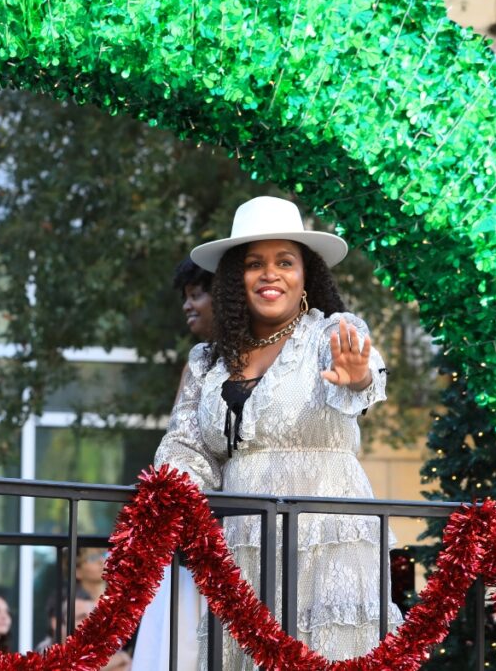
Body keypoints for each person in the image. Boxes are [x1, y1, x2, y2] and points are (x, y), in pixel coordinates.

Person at [154, 196, 402, 668]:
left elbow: (365, 371)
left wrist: (359, 377)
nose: (271, 274)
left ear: (306, 274)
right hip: (241, 545)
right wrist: (166, 496)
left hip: (328, 537)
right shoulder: (208, 360)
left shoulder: (331, 333)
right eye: (254, 264)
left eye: (285, 262)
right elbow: (186, 446)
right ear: (233, 280)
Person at [132, 259, 213, 671]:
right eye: (185, 297)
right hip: (198, 528)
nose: (188, 306)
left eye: (197, 294)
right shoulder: (199, 361)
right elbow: (178, 441)